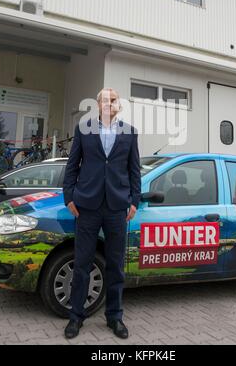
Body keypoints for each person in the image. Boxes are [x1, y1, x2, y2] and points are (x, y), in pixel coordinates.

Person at [63, 88, 141, 340]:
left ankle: (114, 317)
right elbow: (72, 165)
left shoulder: (130, 132)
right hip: (87, 206)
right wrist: (69, 197)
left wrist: (134, 202)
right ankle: (76, 316)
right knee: (82, 264)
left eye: (113, 100)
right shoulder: (84, 129)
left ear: (119, 105)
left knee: (116, 266)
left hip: (117, 207)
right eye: (105, 100)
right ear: (97, 104)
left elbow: (134, 171)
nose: (109, 103)